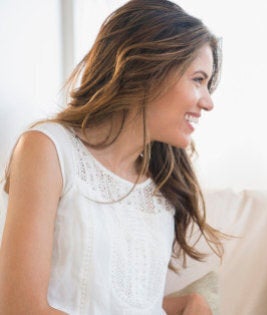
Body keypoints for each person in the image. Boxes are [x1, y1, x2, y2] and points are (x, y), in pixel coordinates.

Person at [0, 0, 224, 314]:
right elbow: (20, 308)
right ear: (149, 70)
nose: (208, 102)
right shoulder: (48, 150)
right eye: (198, 79)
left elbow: (112, 302)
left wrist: (182, 305)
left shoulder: (163, 185)